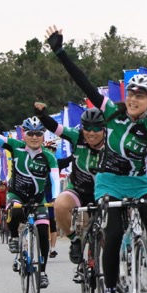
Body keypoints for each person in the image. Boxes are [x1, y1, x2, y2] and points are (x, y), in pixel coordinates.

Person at [46, 25, 147, 293]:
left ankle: (144, 269)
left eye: (141, 97)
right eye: (132, 93)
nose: (133, 99)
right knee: (113, 234)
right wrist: (60, 52)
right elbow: (85, 83)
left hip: (139, 183)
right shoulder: (112, 113)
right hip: (109, 182)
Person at [0, 108, 60, 289]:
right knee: (16, 208)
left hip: (38, 199)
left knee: (44, 231)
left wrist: (57, 198)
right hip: (17, 194)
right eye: (31, 133)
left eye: (39, 134)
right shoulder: (15, 146)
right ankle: (13, 237)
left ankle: (42, 272)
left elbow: (55, 178)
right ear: (24, 134)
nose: (35, 137)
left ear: (43, 136)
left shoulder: (49, 157)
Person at [35, 103, 105, 266]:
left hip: (105, 191)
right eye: (88, 128)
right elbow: (56, 127)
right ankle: (75, 241)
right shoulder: (76, 136)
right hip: (79, 189)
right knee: (59, 205)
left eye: (96, 129)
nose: (92, 133)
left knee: (109, 236)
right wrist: (41, 115)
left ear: (104, 129)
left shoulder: (112, 141)